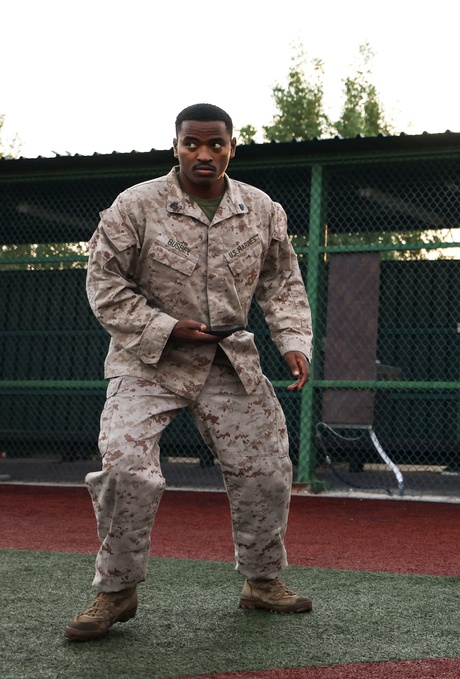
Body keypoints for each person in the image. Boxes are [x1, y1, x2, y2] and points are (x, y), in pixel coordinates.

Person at [66, 103, 315, 641]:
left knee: (267, 470)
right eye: (192, 144)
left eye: (215, 144)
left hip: (229, 358)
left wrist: (293, 340)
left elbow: (282, 282)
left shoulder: (262, 210)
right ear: (175, 146)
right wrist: (165, 327)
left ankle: (263, 581)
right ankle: (116, 591)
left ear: (231, 147)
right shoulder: (136, 206)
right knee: (125, 468)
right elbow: (104, 285)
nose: (204, 154)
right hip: (148, 361)